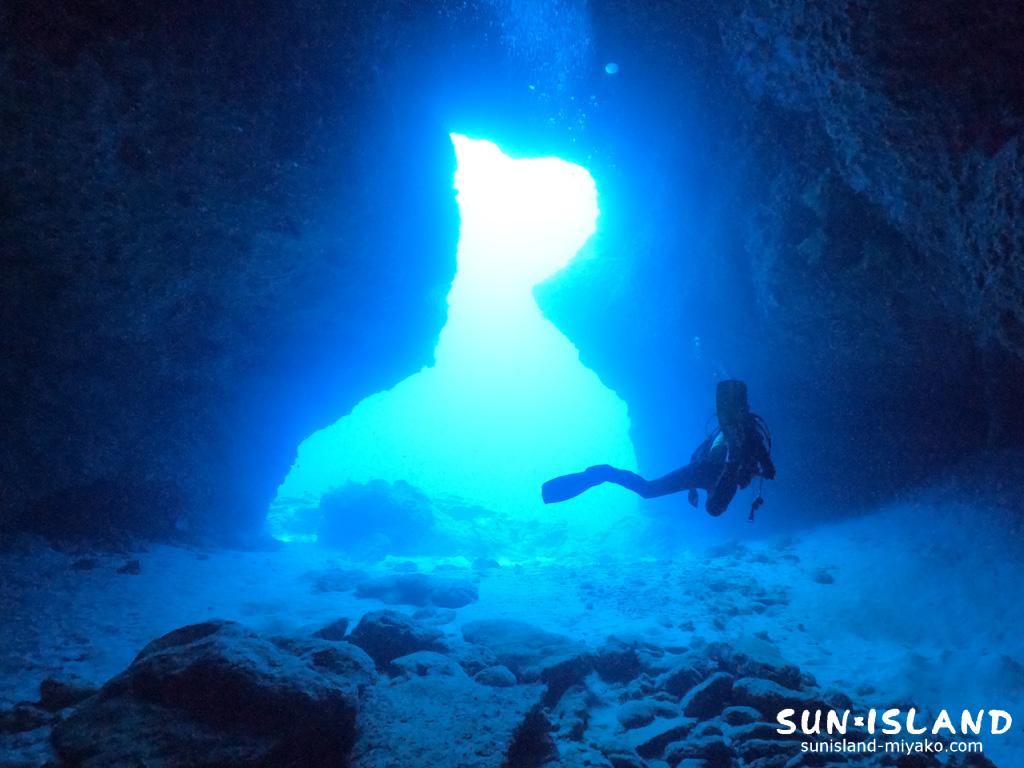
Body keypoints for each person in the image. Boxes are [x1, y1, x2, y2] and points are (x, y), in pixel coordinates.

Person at [541, 380, 775, 518]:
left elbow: (702, 457)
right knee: (707, 507)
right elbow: (768, 469)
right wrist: (754, 469)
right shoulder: (748, 433)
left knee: (649, 490)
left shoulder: (743, 433)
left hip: (703, 474)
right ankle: (605, 473)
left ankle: (605, 473)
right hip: (708, 474)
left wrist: (693, 487)